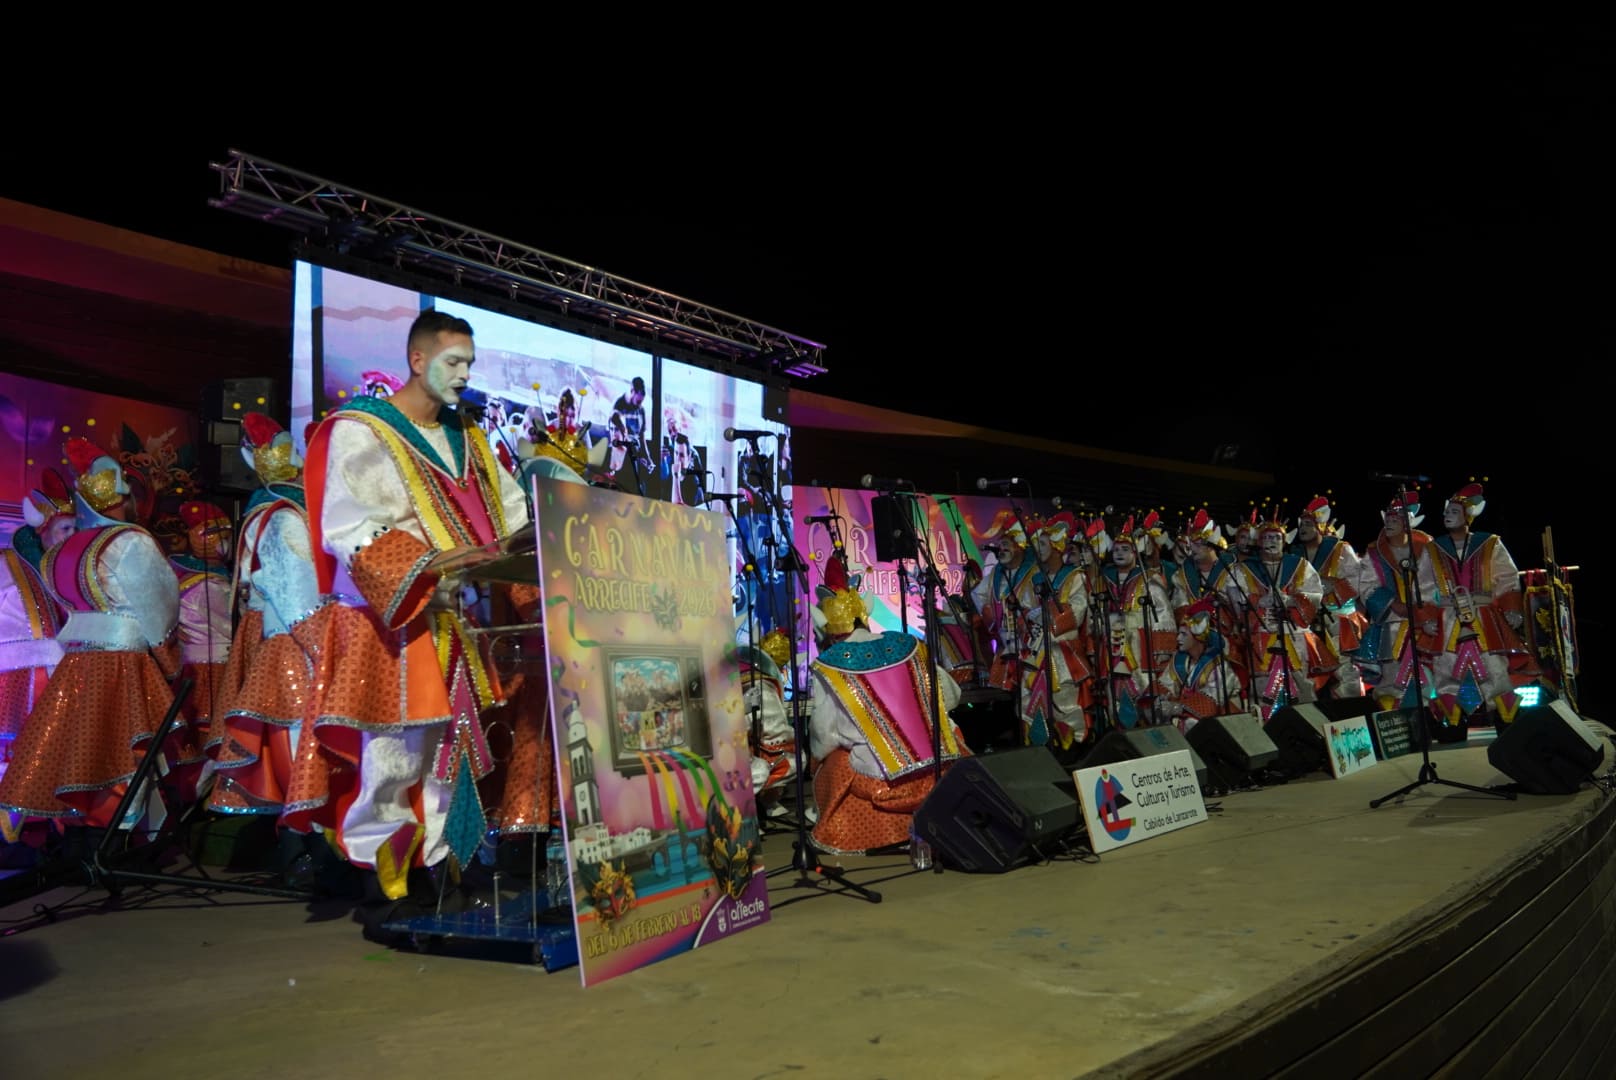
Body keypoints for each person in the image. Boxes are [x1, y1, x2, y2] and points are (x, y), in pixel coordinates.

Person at [304, 309, 553, 915]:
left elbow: (515, 516)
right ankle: (384, 878)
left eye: (470, 362)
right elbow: (350, 524)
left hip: (460, 616)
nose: (465, 374)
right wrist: (427, 570)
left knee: (451, 746)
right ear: (417, 361)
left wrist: (543, 537)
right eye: (453, 362)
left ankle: (441, 865)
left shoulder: (467, 437)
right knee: (394, 752)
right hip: (396, 616)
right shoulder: (363, 429)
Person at [0, 438, 184, 833]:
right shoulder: (130, 541)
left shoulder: (59, 554)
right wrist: (167, 659)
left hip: (75, 664)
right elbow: (159, 607)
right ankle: (117, 838)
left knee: (79, 749)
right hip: (123, 660)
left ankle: (82, 836)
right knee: (122, 751)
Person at [808, 555, 966, 856]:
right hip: (941, 771)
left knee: (834, 761)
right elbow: (951, 695)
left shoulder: (829, 666)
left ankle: (875, 830)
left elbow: (824, 736)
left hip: (882, 781)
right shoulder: (908, 645)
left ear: (824, 630)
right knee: (953, 731)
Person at [1427, 482, 1539, 732]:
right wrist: (1428, 616)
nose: (1448, 516)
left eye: (1454, 512)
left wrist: (1511, 609)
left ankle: (1506, 722)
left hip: (1483, 615)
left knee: (1494, 666)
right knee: (1445, 668)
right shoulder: (1433, 549)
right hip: (1448, 616)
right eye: (1446, 511)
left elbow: (1507, 577)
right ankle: (1451, 725)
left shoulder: (1489, 543)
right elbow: (1424, 586)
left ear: (1468, 516)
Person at [0, 483, 74, 799]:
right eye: (65, 528)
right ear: (43, 531)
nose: (72, 534)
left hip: (60, 672)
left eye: (76, 527)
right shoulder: (9, 565)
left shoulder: (69, 568)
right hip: (19, 672)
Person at [1221, 511, 1325, 720]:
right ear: (1258, 542)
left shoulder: (1300, 565)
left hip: (1294, 635)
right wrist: (1258, 602)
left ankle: (1308, 725)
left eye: (1276, 537)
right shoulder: (1243, 569)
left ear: (1284, 541)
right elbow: (1233, 599)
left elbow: (1315, 593)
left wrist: (1292, 600)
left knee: (1301, 684)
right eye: (1267, 538)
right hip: (1262, 635)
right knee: (1262, 687)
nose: (1272, 541)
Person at [1355, 491, 1440, 713]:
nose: (1389, 523)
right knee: (1391, 678)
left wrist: (1424, 612)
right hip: (1391, 625)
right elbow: (1366, 585)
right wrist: (1393, 603)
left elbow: (1436, 581)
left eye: (1395, 520)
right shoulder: (1374, 552)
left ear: (1407, 523)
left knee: (1430, 674)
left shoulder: (1427, 548)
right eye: (1388, 519)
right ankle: (1393, 723)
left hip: (1424, 623)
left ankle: (1427, 720)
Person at [1292, 494, 1367, 699]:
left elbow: (1359, 581)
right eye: (1301, 524)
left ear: (1320, 526)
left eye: (1309, 523)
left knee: (1347, 671)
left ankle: (1351, 713)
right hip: (1309, 624)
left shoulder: (1340, 549)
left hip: (1338, 620)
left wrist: (1332, 584)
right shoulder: (1295, 556)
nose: (1303, 528)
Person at [1152, 598, 1246, 733]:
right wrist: (1161, 700)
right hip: (1186, 714)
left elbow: (1212, 701)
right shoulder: (1180, 660)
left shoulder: (1219, 665)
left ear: (1198, 637)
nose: (1178, 638)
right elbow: (1165, 684)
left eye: (1183, 634)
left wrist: (1177, 708)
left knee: (1192, 723)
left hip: (1221, 723)